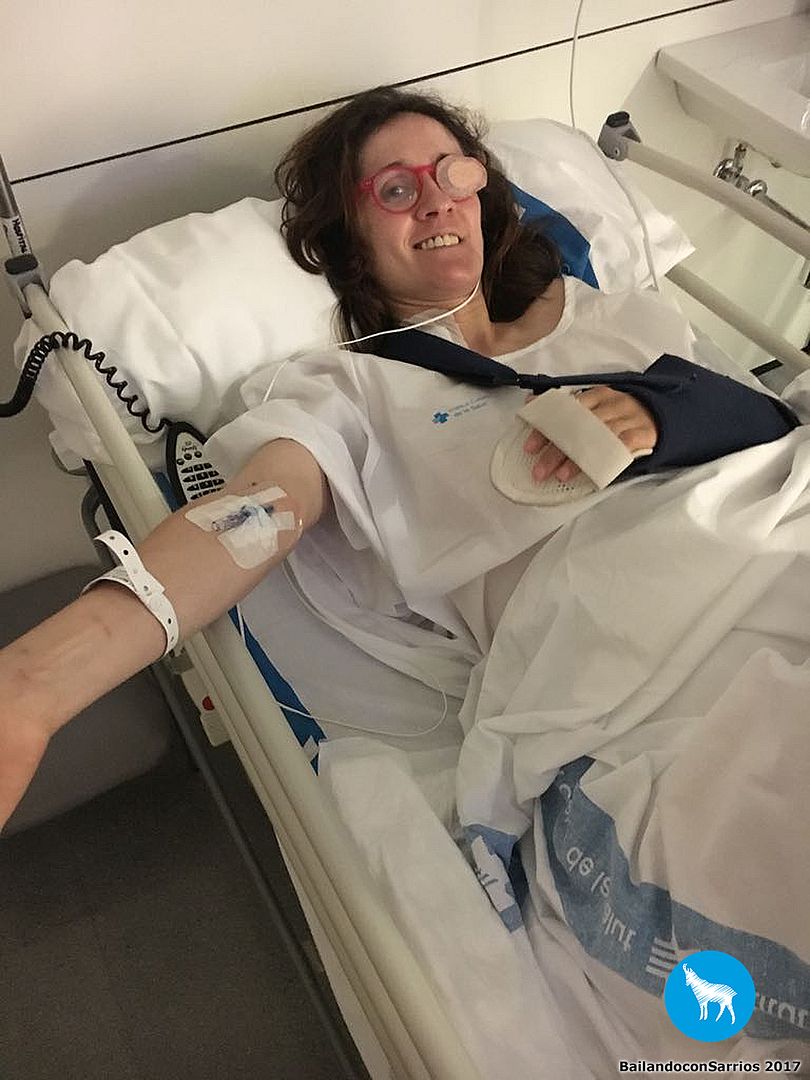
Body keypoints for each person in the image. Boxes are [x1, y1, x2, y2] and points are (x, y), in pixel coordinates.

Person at [1, 87, 806, 1065]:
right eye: (395, 187)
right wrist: (32, 687)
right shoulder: (349, 392)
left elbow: (772, 431)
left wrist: (662, 415)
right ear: (346, 235)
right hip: (642, 655)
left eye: (454, 172)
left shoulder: (622, 314)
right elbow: (247, 518)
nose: (436, 198)